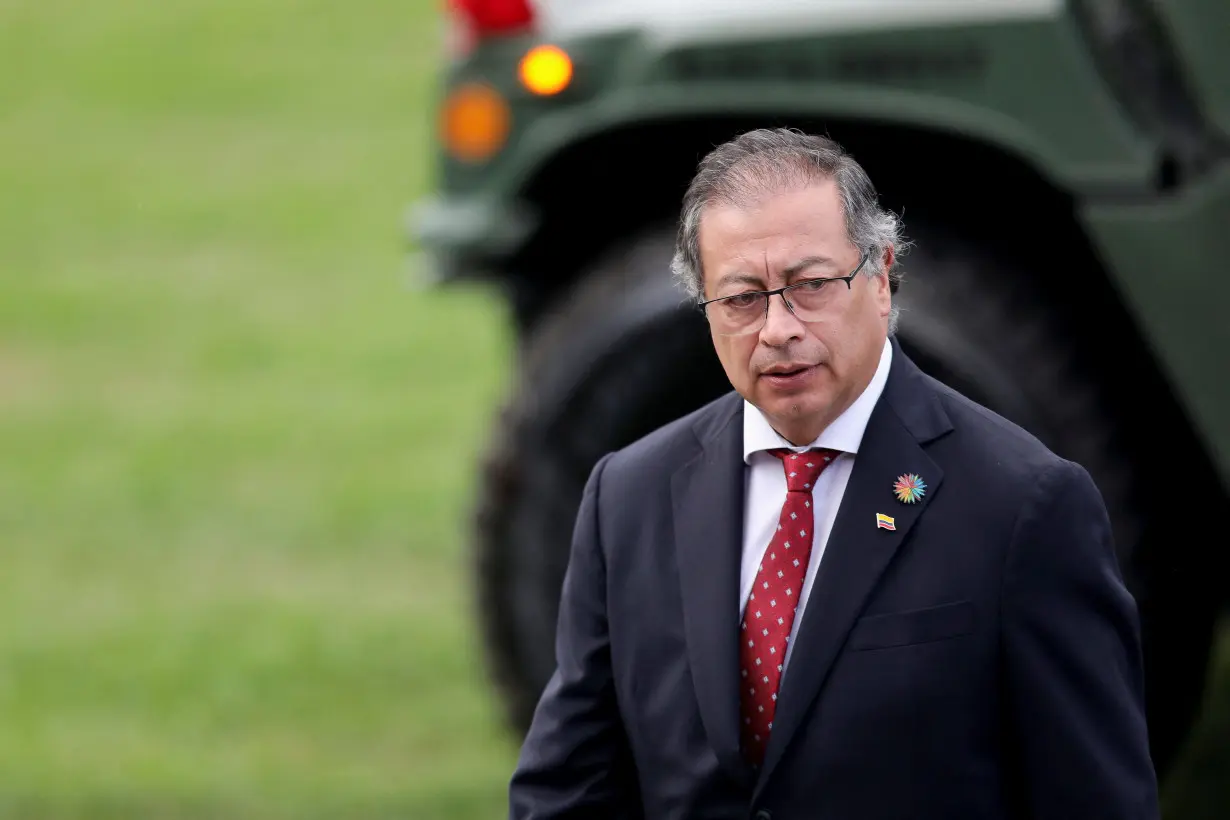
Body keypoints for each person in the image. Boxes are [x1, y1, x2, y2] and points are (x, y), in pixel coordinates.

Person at [507, 128, 1159, 819]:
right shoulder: (627, 498)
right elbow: (569, 789)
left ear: (880, 277)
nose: (779, 327)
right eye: (742, 298)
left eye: (811, 285)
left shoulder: (1025, 504)